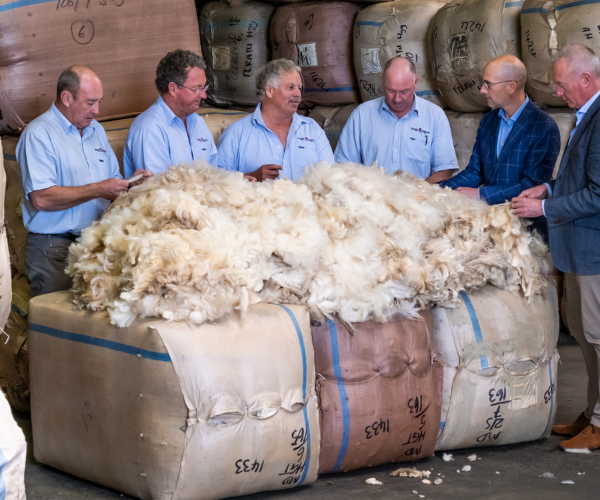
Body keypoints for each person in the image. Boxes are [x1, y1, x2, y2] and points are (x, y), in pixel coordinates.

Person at [513, 45, 600, 451]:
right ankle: (592, 411)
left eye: (563, 85)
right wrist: (548, 187)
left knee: (598, 336)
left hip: (593, 250)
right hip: (578, 250)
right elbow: (576, 178)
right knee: (585, 335)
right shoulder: (585, 116)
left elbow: (598, 194)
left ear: (586, 80)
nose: (558, 92)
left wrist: (544, 207)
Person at [17, 65, 152, 297]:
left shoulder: (96, 131)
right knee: (56, 323)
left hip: (94, 244)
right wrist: (99, 189)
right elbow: (41, 198)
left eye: (99, 102)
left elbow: (111, 182)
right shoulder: (39, 134)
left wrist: (129, 184)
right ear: (66, 98)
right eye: (90, 102)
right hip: (54, 248)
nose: (97, 110)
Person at [440, 55, 560, 206]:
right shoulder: (488, 121)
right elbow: (475, 172)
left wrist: (479, 194)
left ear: (511, 86)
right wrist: (437, 189)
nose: (482, 90)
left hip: (525, 223)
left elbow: (531, 186)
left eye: (488, 84)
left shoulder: (544, 127)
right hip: (491, 218)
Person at [334, 57, 458, 182]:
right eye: (391, 91)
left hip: (418, 199)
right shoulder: (361, 114)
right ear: (382, 81)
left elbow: (444, 170)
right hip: (372, 197)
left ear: (415, 83)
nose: (397, 99)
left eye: (404, 91)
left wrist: (418, 195)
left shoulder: (435, 116)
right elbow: (344, 166)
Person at [217, 59, 334, 181]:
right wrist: (250, 177)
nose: (298, 93)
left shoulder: (312, 129)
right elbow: (217, 183)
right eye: (290, 87)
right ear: (269, 90)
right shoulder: (236, 133)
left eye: (299, 88)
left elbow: (332, 178)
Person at [123, 49, 217, 177]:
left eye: (204, 87)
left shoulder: (198, 122)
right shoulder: (149, 129)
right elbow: (157, 191)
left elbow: (214, 174)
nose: (204, 95)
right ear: (172, 88)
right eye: (196, 89)